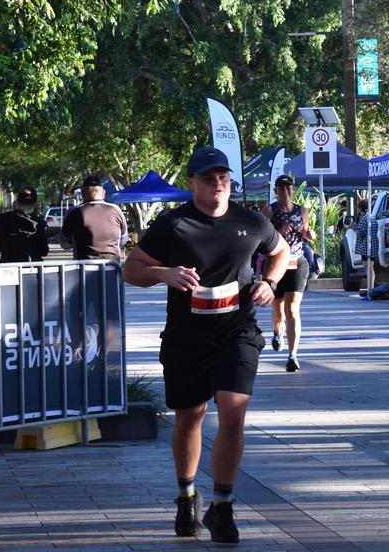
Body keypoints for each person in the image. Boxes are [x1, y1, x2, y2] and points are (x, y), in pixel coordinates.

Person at [123, 146, 291, 544]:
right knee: (190, 417)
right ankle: (186, 497)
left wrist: (269, 282)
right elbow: (132, 268)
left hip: (237, 333)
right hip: (186, 337)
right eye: (209, 178)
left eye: (224, 178)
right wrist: (164, 273)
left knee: (233, 414)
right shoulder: (173, 225)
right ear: (193, 183)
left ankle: (222, 505)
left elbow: (281, 251)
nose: (218, 184)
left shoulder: (250, 221)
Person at [262, 175, 314, 372]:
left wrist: (310, 234)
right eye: (282, 188)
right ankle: (277, 331)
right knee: (278, 309)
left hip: (297, 262)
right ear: (276, 190)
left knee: (292, 309)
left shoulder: (302, 211)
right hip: (276, 263)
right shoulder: (269, 210)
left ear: (293, 190)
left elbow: (308, 231)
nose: (286, 191)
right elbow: (262, 236)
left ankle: (293, 355)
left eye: (289, 187)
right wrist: (279, 232)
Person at [61, 176, 128, 260]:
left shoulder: (73, 212)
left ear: (82, 193)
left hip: (84, 269)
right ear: (103, 193)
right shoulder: (116, 210)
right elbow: (123, 239)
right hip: (112, 268)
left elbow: (64, 244)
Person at [0, 190, 50, 263]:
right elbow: (44, 251)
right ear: (35, 204)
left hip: (8, 269)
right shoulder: (39, 224)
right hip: (32, 268)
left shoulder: (2, 219)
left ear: (16, 202)